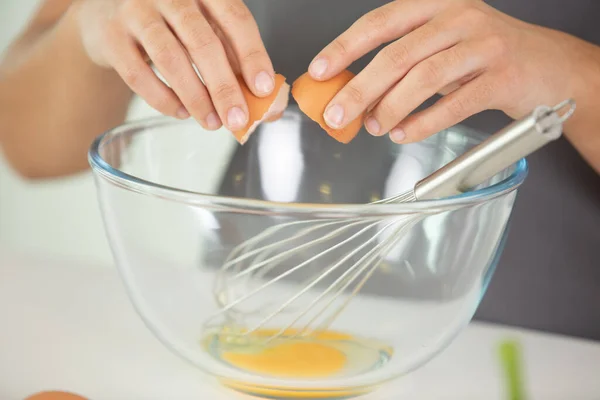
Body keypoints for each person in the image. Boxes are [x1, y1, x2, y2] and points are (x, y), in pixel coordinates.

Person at [0, 0, 598, 339]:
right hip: (248, 322)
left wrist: (574, 73)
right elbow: (28, 147)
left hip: (543, 351)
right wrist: (89, 24)